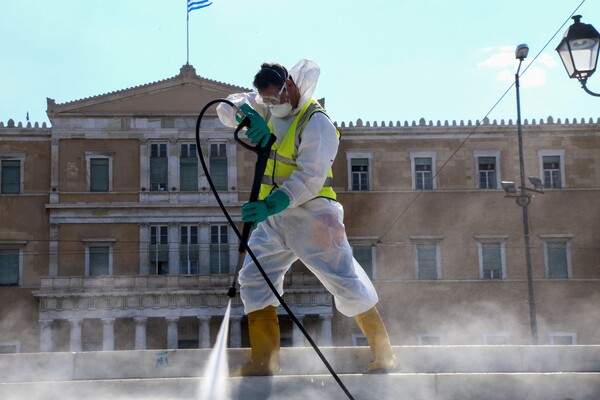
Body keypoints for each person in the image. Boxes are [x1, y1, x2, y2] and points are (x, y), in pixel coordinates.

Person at [216, 59, 398, 375]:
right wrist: (244, 114)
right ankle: (264, 361)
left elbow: (309, 177)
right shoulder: (265, 106)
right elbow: (227, 105)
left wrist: (271, 204)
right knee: (254, 278)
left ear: (290, 86)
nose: (271, 106)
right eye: (266, 101)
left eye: (275, 98)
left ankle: (384, 355)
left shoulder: (317, 123)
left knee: (343, 280)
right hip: (274, 218)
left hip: (314, 214)